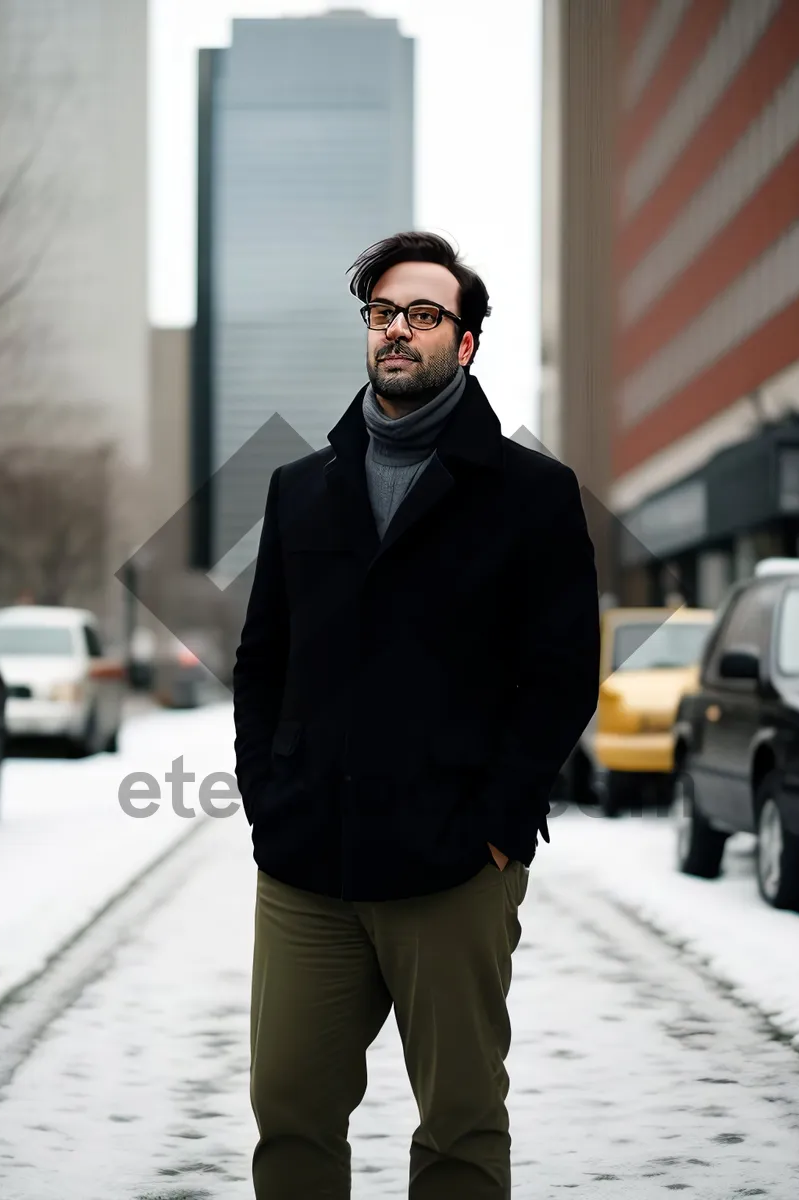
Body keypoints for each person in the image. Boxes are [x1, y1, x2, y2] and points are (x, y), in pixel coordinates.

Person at [232, 231, 600, 1199]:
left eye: (424, 315)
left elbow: (561, 678)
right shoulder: (300, 489)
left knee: (460, 1126)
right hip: (309, 864)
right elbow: (261, 662)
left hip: (454, 872)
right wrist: (269, 800)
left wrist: (496, 828)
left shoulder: (534, 495)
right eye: (383, 313)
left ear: (466, 343)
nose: (399, 330)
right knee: (290, 1115)